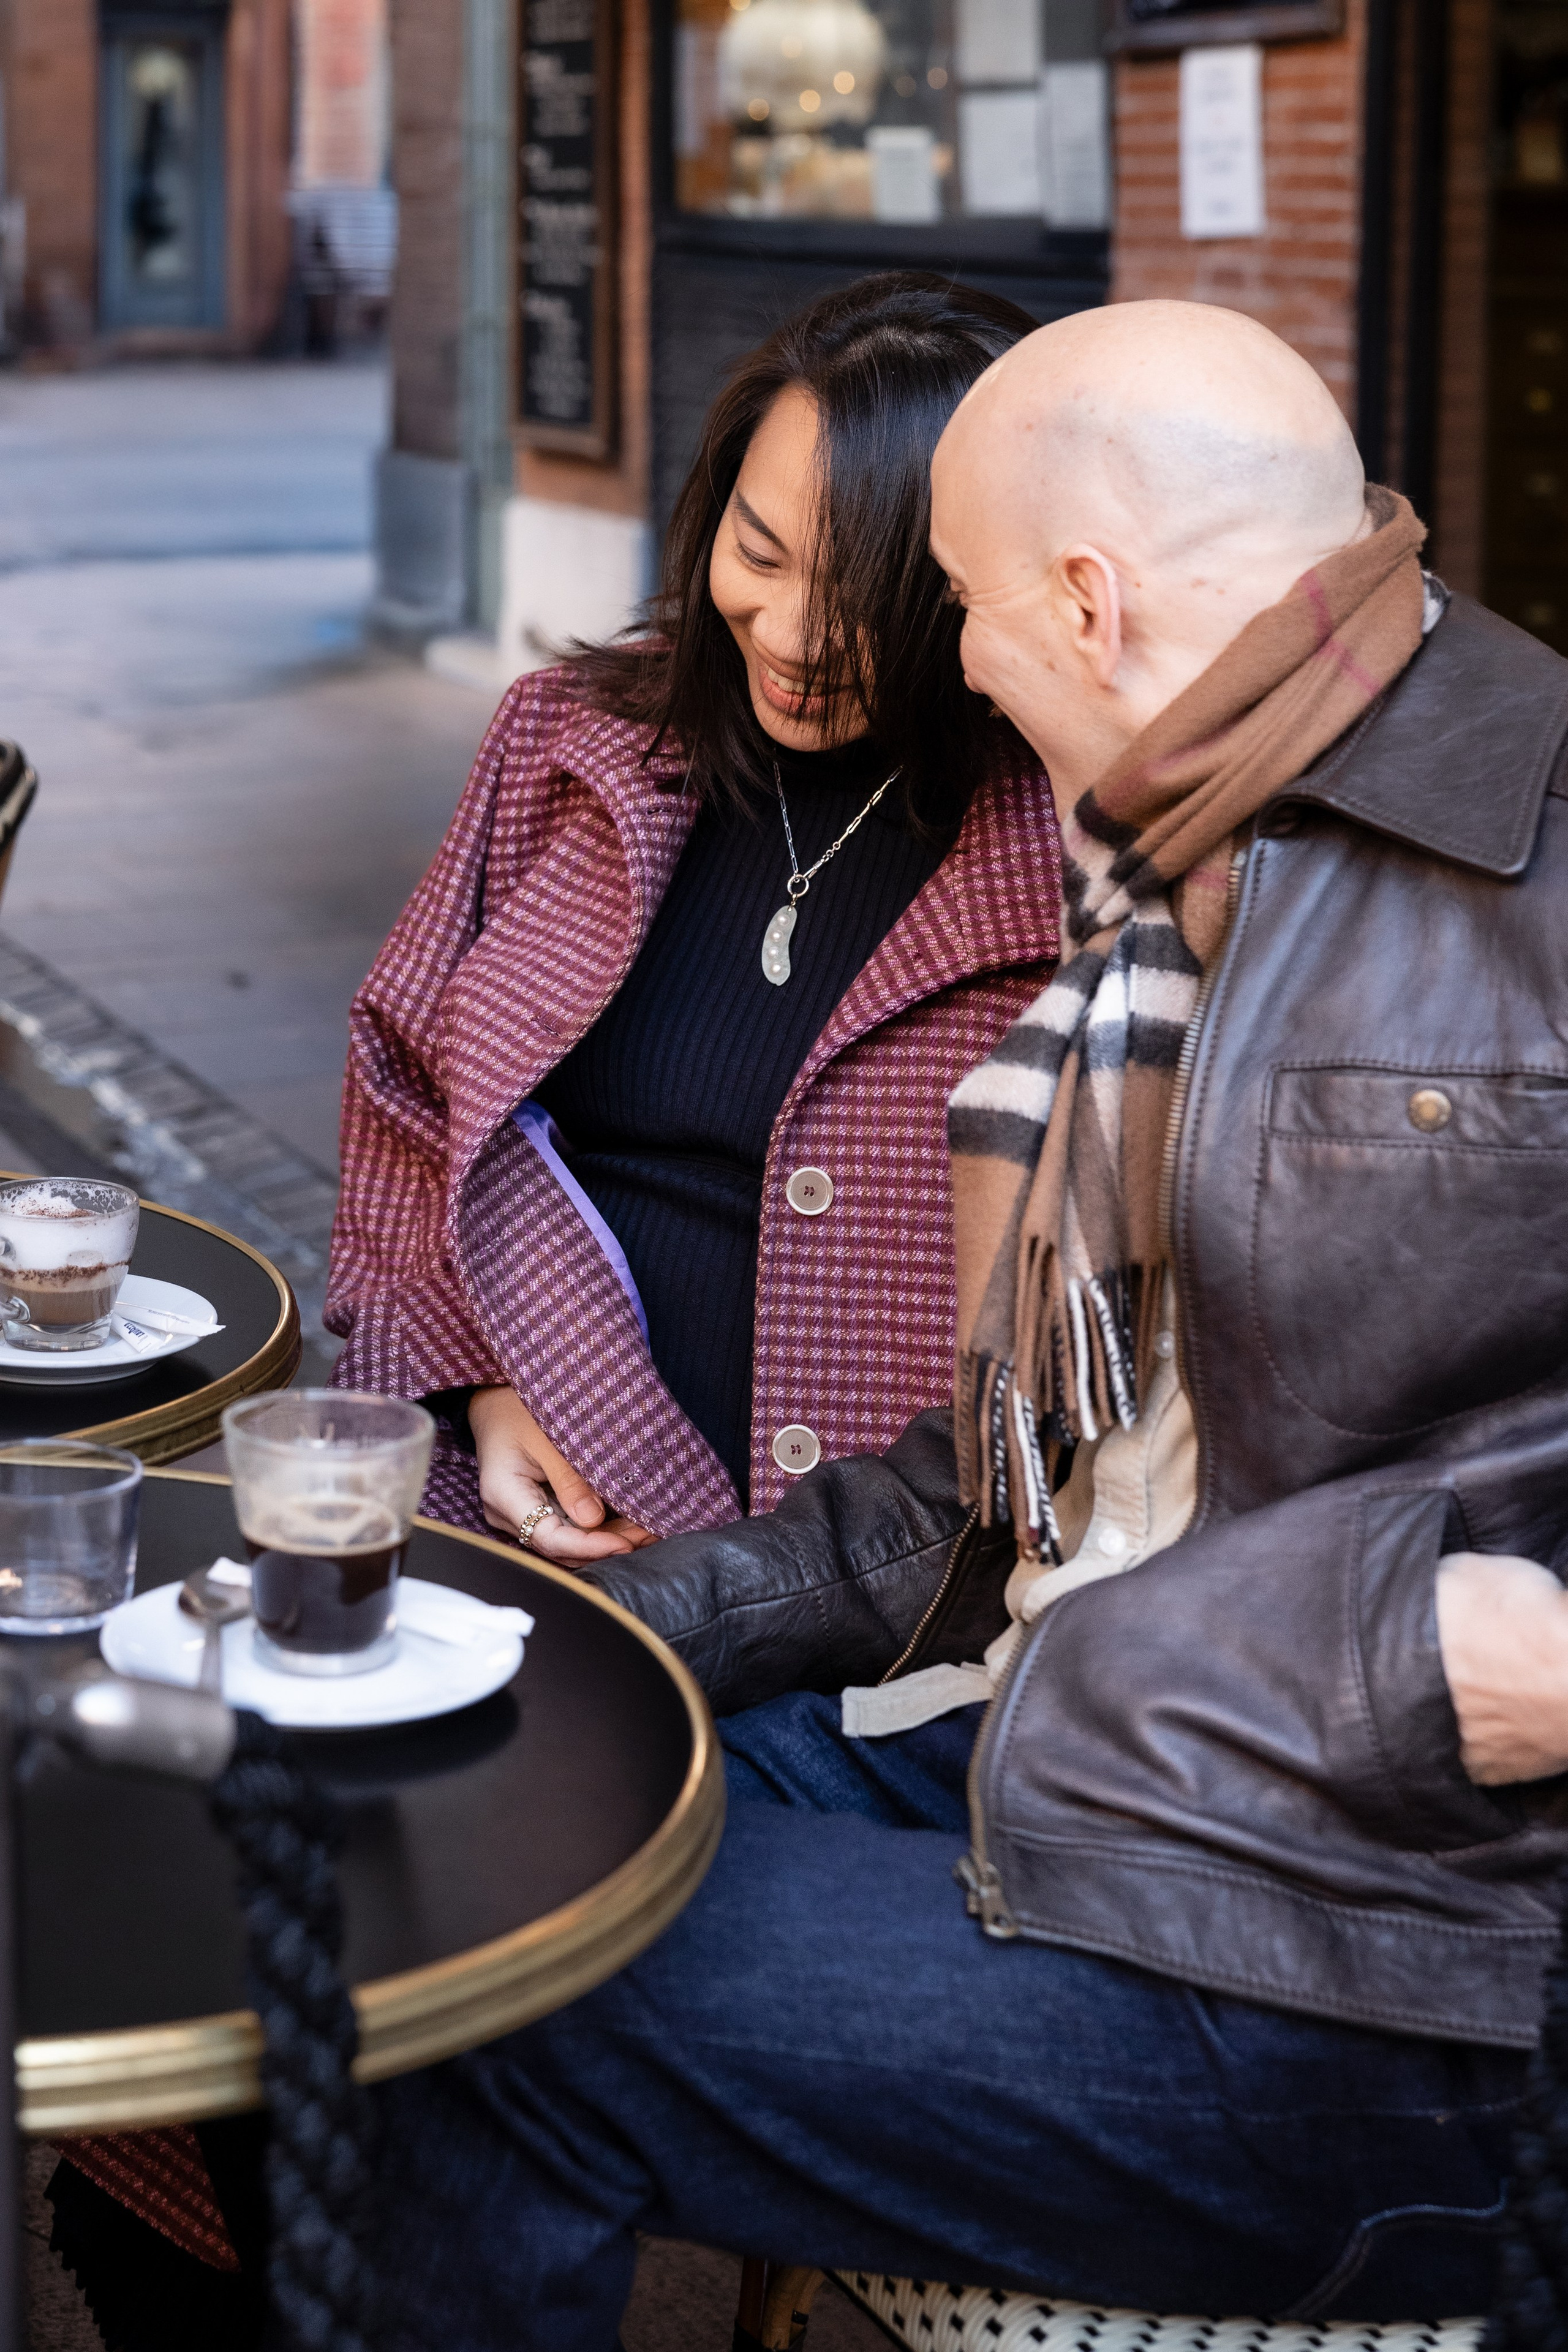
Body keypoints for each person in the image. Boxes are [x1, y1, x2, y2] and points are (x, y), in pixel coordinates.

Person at [355, 297, 1568, 2343]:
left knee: (491, 1991)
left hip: (1361, 1973)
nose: (960, 662)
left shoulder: (1452, 879)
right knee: (443, 1827)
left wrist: (1469, 1663)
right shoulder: (1211, 840)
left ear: (1086, 605)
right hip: (1080, 1755)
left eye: (959, 601)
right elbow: (1008, 1481)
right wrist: (612, 1631)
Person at [323, 271, 1060, 1567]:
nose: (793, 636)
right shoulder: (572, 741)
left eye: (871, 600)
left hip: (859, 1583)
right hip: (510, 1501)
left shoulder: (1063, 850)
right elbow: (404, 1082)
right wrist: (475, 1382)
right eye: (757, 553)